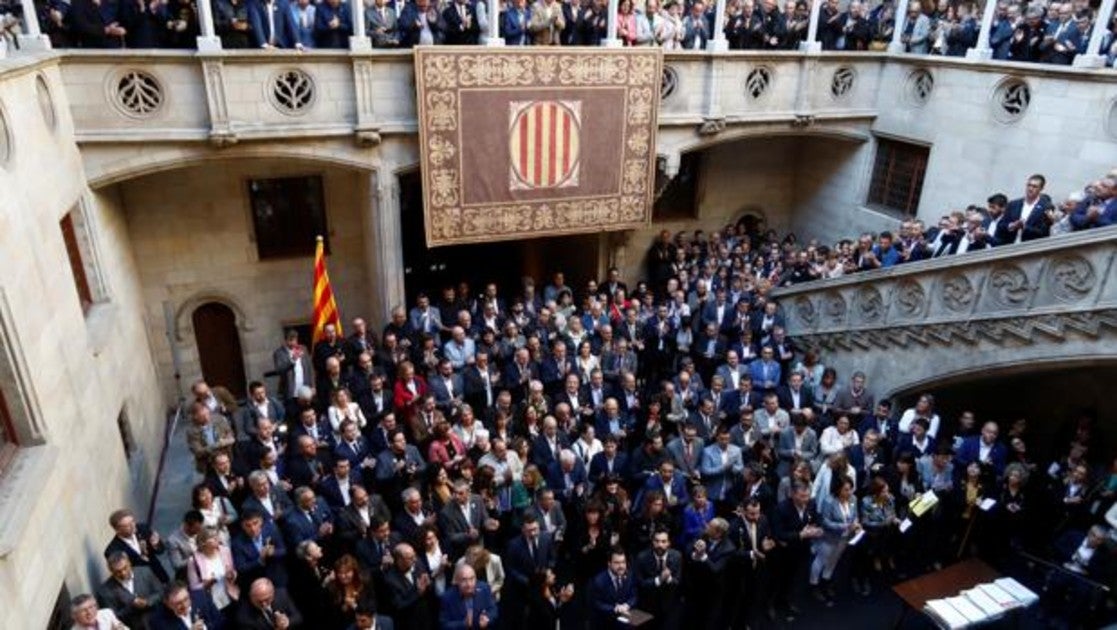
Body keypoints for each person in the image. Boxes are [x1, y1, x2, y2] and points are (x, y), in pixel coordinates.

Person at [96, 553, 163, 629]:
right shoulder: (105, 591)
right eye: (118, 572)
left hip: (158, 622)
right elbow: (111, 618)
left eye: (125, 568)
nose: (123, 573)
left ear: (129, 563)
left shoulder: (145, 572)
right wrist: (131, 607)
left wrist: (148, 601)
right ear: (111, 570)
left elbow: (161, 592)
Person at [104, 509, 170, 584]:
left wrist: (156, 544)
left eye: (132, 521)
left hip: (160, 575)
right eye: (127, 525)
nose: (133, 526)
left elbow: (161, 550)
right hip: (141, 584)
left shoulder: (142, 529)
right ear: (117, 530)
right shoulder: (113, 550)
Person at [186, 528, 240, 614]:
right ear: (203, 542)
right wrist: (207, 583)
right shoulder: (193, 561)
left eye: (217, 536)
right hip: (211, 601)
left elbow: (232, 570)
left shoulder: (225, 551)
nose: (217, 539)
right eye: (212, 537)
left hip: (230, 595)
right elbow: (194, 587)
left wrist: (232, 575)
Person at [588, 547, 637, 629]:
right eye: (617, 563)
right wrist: (615, 609)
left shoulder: (630, 575)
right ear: (609, 563)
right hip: (605, 624)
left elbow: (634, 596)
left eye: (623, 562)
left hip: (625, 623)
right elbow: (597, 604)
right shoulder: (599, 581)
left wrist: (627, 605)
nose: (621, 566)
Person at [439, 564, 499, 629]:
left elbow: (493, 610)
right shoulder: (448, 597)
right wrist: (463, 624)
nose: (469, 584)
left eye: (472, 579)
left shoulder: (484, 589)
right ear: (457, 581)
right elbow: (444, 625)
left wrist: (487, 618)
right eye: (464, 580)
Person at [147, 581, 224, 630]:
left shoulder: (201, 597)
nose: (185, 605)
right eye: (178, 603)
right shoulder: (158, 621)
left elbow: (220, 621)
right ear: (167, 604)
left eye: (186, 599)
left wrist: (204, 628)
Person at [233, 578, 304, 629]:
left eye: (267, 599)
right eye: (259, 601)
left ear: (273, 593)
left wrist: (287, 622)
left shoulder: (282, 595)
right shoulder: (243, 615)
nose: (264, 604)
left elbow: (298, 617)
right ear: (251, 597)